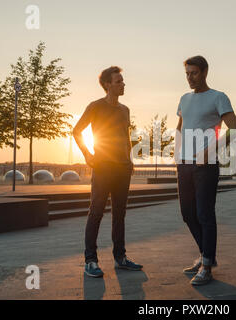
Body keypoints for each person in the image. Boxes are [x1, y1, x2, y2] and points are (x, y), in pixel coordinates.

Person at [175, 56, 236, 285]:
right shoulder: (183, 99)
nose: (189, 78)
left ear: (204, 72)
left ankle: (207, 266)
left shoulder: (218, 97)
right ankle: (207, 256)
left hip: (206, 165)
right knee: (187, 213)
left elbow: (235, 129)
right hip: (183, 164)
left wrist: (208, 150)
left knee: (204, 214)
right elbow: (180, 128)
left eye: (193, 73)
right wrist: (177, 154)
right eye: (187, 73)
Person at [73, 66, 142, 278]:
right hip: (103, 167)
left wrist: (130, 160)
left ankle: (120, 258)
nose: (123, 84)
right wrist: (87, 155)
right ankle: (90, 261)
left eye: (123, 81)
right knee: (96, 212)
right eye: (118, 81)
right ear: (107, 85)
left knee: (119, 214)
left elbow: (126, 137)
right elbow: (76, 131)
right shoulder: (95, 107)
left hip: (122, 168)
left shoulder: (125, 110)